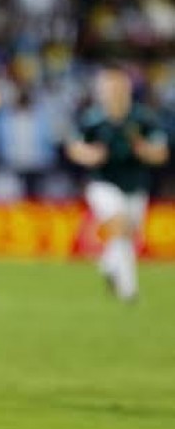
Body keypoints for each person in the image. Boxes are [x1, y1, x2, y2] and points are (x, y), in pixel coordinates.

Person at [66, 66, 169, 302]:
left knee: (127, 235)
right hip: (102, 182)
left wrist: (143, 149)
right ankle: (128, 289)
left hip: (135, 184)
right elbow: (75, 148)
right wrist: (91, 155)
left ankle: (109, 265)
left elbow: (160, 153)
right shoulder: (92, 119)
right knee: (119, 225)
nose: (112, 92)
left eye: (117, 87)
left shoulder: (143, 118)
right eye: (108, 87)